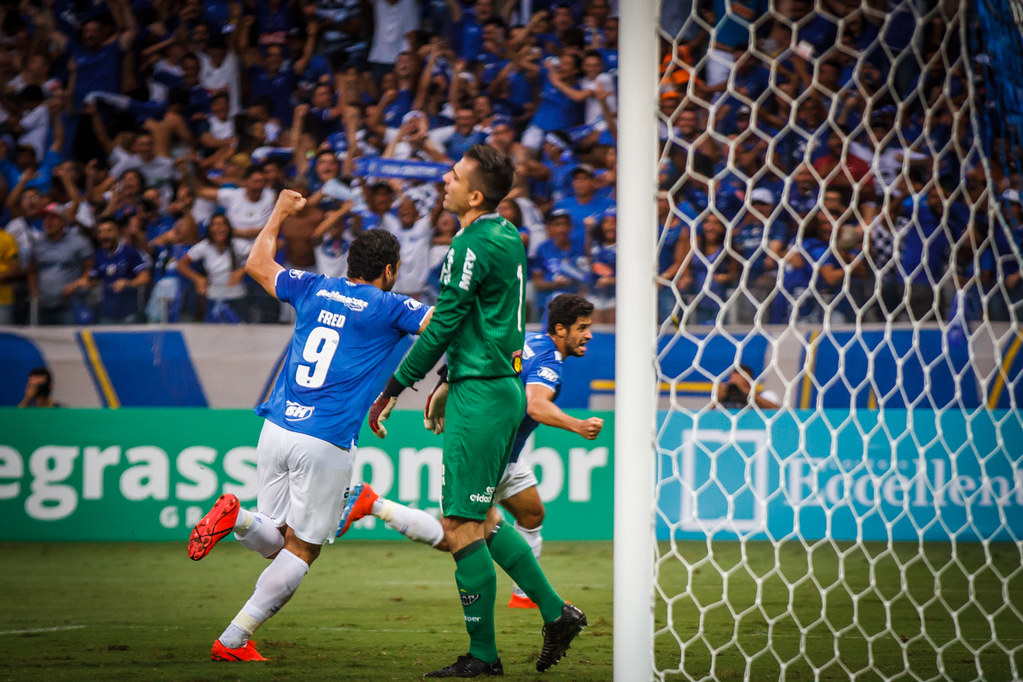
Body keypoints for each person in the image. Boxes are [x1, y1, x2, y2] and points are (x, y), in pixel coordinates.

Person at [364, 144, 587, 677]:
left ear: (475, 194)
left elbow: (444, 324)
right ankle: (557, 614)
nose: (446, 178)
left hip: (483, 394)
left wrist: (396, 386)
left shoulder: (468, 246)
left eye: (456, 174)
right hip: (493, 383)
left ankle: (484, 657)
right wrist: (447, 379)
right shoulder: (507, 236)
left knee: (460, 525)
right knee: (484, 519)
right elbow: (483, 320)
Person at [185, 190, 433, 662]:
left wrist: (278, 211)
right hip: (327, 438)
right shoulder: (390, 306)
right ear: (388, 270)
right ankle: (232, 640)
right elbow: (446, 325)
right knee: (303, 549)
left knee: (274, 537)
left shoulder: (314, 286)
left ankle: (236, 517)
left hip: (276, 426)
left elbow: (258, 263)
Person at [337, 293, 604, 611]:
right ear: (561, 329)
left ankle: (525, 593)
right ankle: (373, 504)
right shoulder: (549, 361)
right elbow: (536, 404)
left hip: (503, 454)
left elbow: (473, 350)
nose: (588, 334)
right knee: (457, 535)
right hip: (486, 453)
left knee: (532, 513)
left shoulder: (528, 340)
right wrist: (577, 425)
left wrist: (444, 384)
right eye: (582, 327)